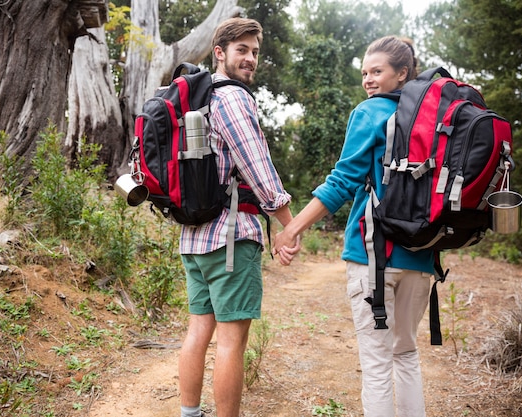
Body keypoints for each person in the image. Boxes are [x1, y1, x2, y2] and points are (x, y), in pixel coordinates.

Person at [273, 36, 435, 417]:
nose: (368, 79)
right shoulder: (431, 118)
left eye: (377, 71)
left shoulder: (370, 112)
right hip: (421, 256)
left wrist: (291, 228)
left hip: (373, 256)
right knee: (407, 354)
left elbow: (342, 183)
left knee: (378, 364)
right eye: (364, 72)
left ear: (402, 74)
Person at [177, 17, 298, 417]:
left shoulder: (199, 98)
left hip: (194, 239)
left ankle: (189, 413)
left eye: (255, 52)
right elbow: (259, 170)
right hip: (229, 239)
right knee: (230, 342)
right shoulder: (232, 98)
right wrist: (289, 225)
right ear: (220, 53)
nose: (250, 59)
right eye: (242, 50)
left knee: (198, 332)